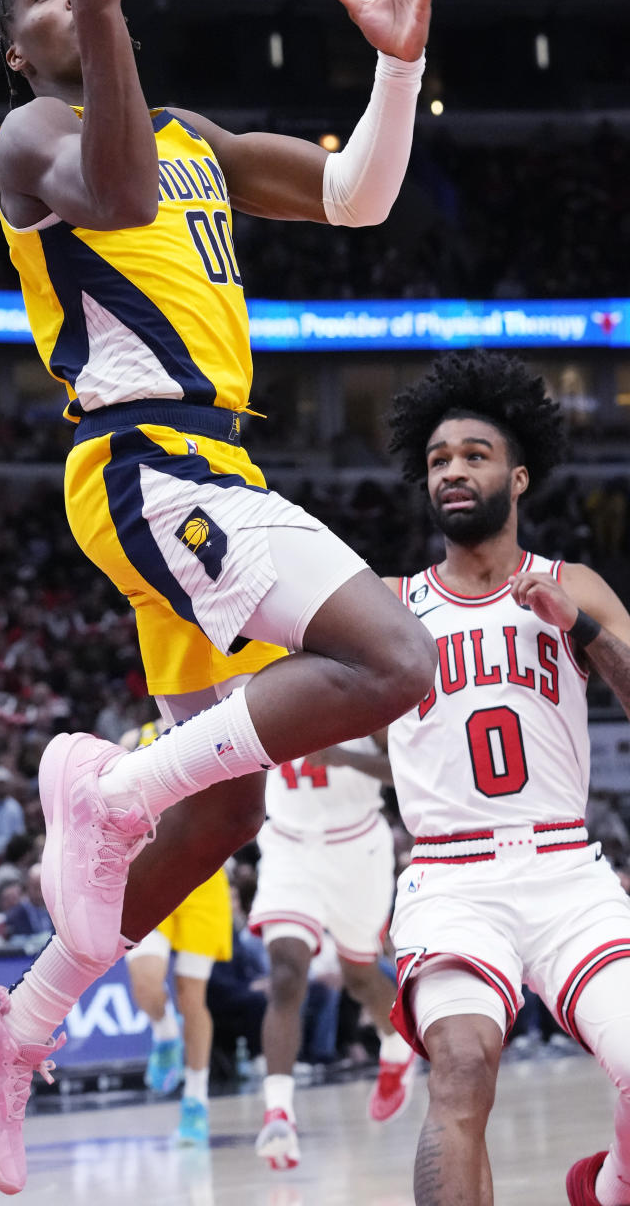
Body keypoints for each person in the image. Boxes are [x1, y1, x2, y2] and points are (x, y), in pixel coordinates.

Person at [0, 0, 437, 1193]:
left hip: (196, 477)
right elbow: (125, 203)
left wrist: (395, 68)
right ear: (19, 52)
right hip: (153, 463)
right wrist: (98, 5)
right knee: (395, 662)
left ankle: (12, 1026)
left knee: (216, 825)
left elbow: (358, 198)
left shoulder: (193, 134)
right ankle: (109, 790)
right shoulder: (30, 141)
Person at [383, 351, 630, 1206]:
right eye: (438, 459)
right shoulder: (387, 603)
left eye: (473, 455)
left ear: (518, 477)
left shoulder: (574, 585)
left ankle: (608, 1185)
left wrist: (585, 627)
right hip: (451, 877)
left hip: (567, 869)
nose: (452, 469)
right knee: (460, 1069)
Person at [250, 734, 415, 1170]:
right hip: (287, 843)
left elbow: (403, 770)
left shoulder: (367, 678)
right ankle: (278, 1113)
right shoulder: (250, 670)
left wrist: (342, 757)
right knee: (286, 976)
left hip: (356, 848)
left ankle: (397, 1050)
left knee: (359, 976)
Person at [122, 720, 233, 1146]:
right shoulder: (137, 736)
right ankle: (165, 1032)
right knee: (147, 987)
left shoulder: (220, 724)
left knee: (193, 996)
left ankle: (196, 1101)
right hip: (150, 869)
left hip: (204, 879)